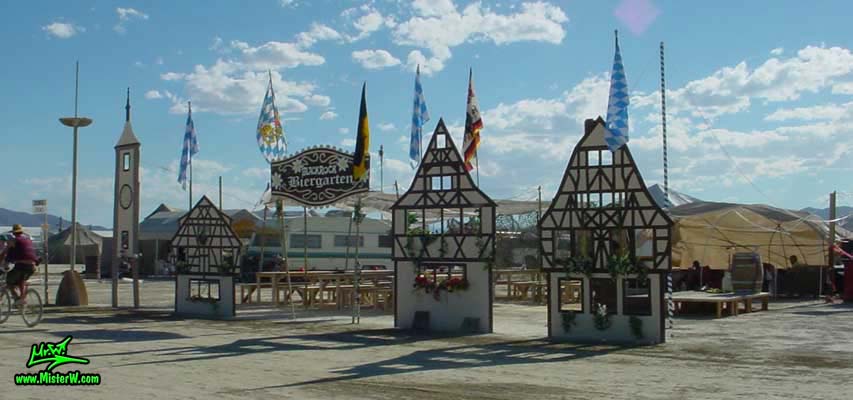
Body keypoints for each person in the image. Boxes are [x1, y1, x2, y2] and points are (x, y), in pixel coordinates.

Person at [0, 224, 39, 301]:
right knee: (21, 280)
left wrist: (5, 263)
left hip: (21, 266)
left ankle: (17, 299)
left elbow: (7, 253)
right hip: (32, 266)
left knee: (9, 282)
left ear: (13, 233)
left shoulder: (13, 241)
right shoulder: (28, 240)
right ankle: (22, 299)